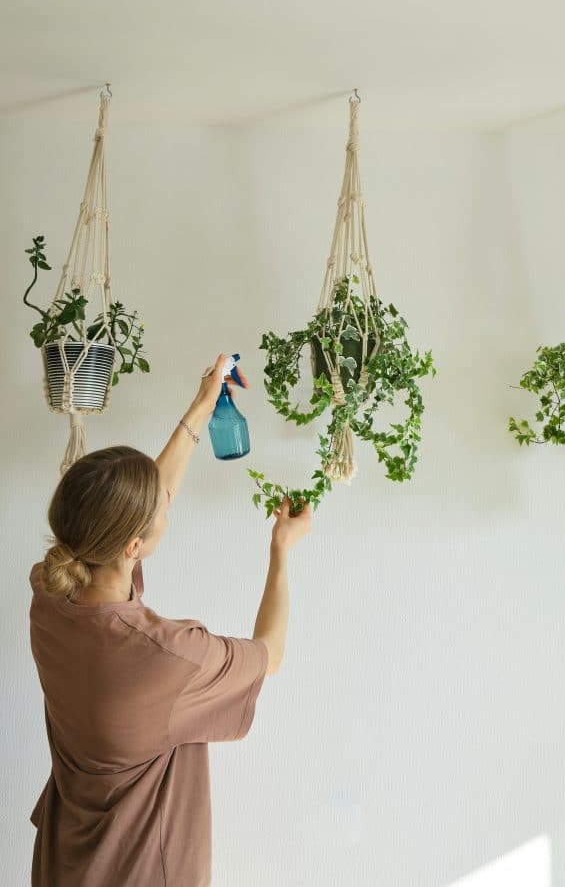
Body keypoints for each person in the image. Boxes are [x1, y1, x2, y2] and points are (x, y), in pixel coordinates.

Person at [28, 354, 311, 886]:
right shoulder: (168, 655)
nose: (168, 503)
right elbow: (269, 655)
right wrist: (281, 550)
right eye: (163, 509)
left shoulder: (50, 592)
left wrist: (204, 404)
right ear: (134, 546)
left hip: (66, 862)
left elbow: (140, 504)